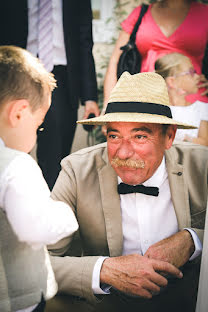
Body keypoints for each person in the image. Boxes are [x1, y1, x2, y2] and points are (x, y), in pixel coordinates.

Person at [46, 71, 208, 312]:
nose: (122, 153)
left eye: (139, 136)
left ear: (169, 137)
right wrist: (103, 270)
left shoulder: (202, 166)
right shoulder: (77, 170)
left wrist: (193, 241)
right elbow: (35, 261)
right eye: (114, 136)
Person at [0, 46, 79, 312]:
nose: (37, 135)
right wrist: (64, 214)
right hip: (17, 300)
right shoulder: (16, 165)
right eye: (39, 125)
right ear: (19, 114)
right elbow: (33, 227)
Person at [0, 0, 99, 190]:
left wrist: (89, 98)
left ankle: (50, 202)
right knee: (9, 147)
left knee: (55, 156)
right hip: (14, 69)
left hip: (61, 75)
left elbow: (84, 41)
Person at [103, 0, 208, 113]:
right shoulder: (141, 13)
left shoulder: (205, 13)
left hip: (195, 104)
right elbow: (115, 61)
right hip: (144, 102)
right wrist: (108, 107)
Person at [155, 52, 208, 146]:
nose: (197, 76)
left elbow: (205, 143)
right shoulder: (158, 110)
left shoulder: (202, 109)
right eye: (191, 72)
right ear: (172, 81)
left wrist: (183, 137)